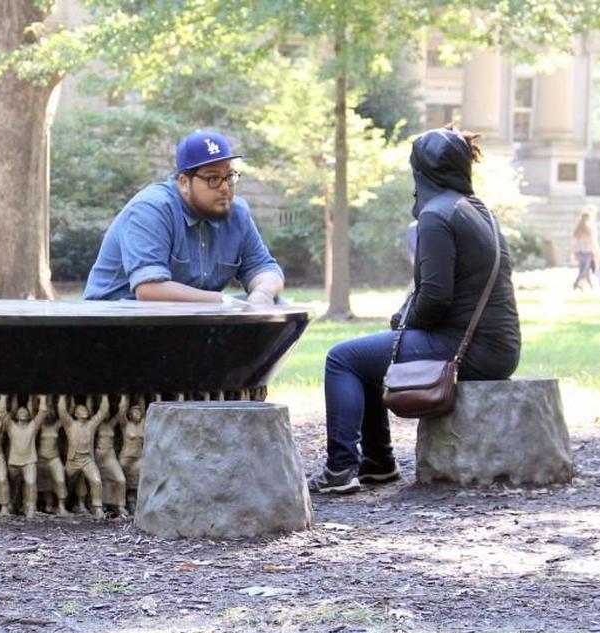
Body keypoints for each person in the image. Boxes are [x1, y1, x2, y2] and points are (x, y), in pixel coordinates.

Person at [308, 127, 521, 494]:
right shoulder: (479, 210)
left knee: (342, 360)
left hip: (467, 348)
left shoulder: (437, 215)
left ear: (420, 171)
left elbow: (436, 297)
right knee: (367, 358)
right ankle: (377, 464)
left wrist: (403, 323)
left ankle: (341, 468)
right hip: (500, 348)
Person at [84, 130, 284, 304]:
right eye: (213, 178)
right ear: (183, 183)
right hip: (116, 319)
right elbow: (150, 290)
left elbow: (264, 267)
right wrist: (225, 302)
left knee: (277, 304)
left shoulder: (236, 212)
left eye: (229, 176)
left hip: (185, 319)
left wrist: (263, 293)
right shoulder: (152, 209)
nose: (225, 188)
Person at [572, 206, 600, 291]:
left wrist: (573, 252)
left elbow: (574, 241)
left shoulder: (578, 228)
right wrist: (596, 250)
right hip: (588, 251)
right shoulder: (590, 227)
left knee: (584, 268)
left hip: (578, 251)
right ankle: (576, 284)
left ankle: (586, 286)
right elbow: (593, 241)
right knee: (585, 269)